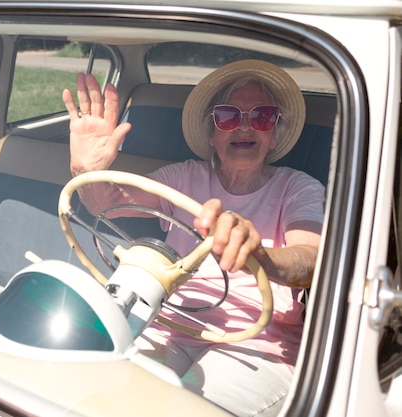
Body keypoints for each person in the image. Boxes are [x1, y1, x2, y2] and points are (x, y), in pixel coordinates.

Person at [62, 59, 325, 416]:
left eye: (261, 116)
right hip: (169, 321)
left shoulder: (299, 187)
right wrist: (86, 170)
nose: (245, 126)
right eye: (229, 116)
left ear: (275, 133)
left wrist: (259, 256)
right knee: (97, 393)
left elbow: (310, 259)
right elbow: (104, 203)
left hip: (258, 345)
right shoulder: (185, 176)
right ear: (212, 134)